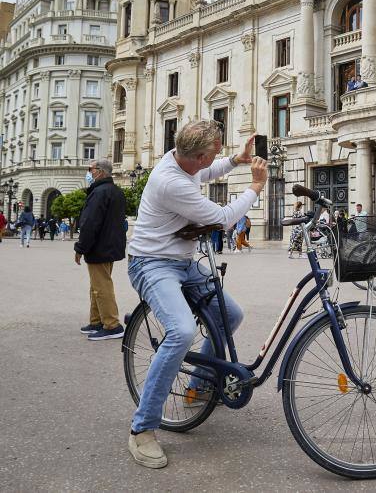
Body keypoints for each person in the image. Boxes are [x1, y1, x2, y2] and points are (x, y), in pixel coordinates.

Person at [126, 120, 266, 468]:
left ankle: (198, 386)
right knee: (181, 332)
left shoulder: (182, 161)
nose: (216, 157)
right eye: (214, 152)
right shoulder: (170, 181)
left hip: (184, 261)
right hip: (152, 264)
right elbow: (222, 219)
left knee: (230, 315)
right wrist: (255, 186)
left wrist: (236, 159)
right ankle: (142, 429)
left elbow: (206, 173)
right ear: (198, 154)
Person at [74, 159, 128, 340]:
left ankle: (112, 325)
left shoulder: (99, 192)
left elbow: (90, 223)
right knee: (97, 285)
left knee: (101, 285)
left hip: (99, 246)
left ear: (100, 171)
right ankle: (96, 321)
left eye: (91, 169)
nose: (89, 172)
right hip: (110, 244)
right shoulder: (116, 191)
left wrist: (80, 247)